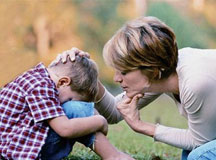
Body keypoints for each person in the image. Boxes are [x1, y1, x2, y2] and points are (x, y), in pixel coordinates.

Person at [54, 17, 216, 160]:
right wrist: (83, 74)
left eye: (124, 71)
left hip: (205, 141)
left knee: (199, 156)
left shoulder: (195, 82)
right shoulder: (161, 72)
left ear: (151, 71)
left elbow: (200, 141)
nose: (117, 78)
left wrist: (142, 126)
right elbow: (115, 111)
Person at [0, 49, 134, 160]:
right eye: (70, 98)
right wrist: (100, 121)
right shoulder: (41, 87)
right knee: (76, 109)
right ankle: (113, 156)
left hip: (14, 144)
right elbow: (65, 129)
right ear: (63, 82)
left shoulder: (36, 77)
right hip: (20, 151)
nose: (66, 102)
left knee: (78, 111)